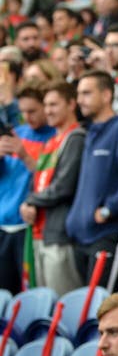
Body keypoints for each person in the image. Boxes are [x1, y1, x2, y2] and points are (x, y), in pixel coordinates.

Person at [65, 70, 118, 287]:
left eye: (86, 93)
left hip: (108, 234)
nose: (79, 100)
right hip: (82, 236)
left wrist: (109, 209)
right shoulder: (91, 132)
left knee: (98, 306)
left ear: (105, 95)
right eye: (79, 94)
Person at [20, 81, 85, 295]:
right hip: (40, 232)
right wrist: (30, 202)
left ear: (71, 104)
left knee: (63, 305)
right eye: (46, 105)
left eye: (54, 104)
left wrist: (31, 201)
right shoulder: (50, 142)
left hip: (60, 235)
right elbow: (38, 182)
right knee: (45, 304)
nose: (48, 111)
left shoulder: (76, 138)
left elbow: (64, 186)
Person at [0, 83, 55, 294]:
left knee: (29, 293)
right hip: (3, 224)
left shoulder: (54, 138)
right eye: (23, 111)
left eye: (32, 111)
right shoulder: (15, 133)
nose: (27, 116)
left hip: (29, 228)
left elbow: (49, 180)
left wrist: (24, 154)